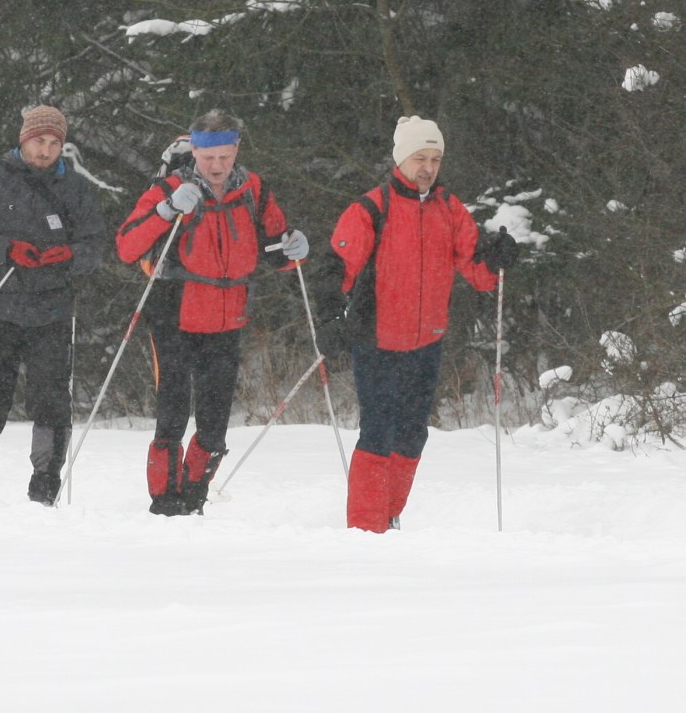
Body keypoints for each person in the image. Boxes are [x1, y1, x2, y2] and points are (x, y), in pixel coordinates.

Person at [314, 116, 516, 532]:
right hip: (377, 340)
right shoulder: (372, 208)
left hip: (427, 342)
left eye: (435, 159)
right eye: (420, 158)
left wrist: (498, 259)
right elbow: (336, 267)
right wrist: (330, 316)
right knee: (378, 434)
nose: (428, 168)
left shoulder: (449, 208)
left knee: (412, 436)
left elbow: (477, 272)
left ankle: (388, 516)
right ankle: (366, 529)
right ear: (401, 159)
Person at [116, 110, 308, 516]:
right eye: (209, 158)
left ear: (236, 150)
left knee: (215, 421)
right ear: (196, 153)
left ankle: (194, 497)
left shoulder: (253, 189)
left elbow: (274, 247)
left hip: (227, 318)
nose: (217, 166)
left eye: (225, 156)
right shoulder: (172, 187)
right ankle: (165, 503)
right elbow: (127, 246)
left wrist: (294, 247)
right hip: (174, 313)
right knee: (172, 414)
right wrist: (166, 210)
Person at [0, 105, 108, 505]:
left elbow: (95, 245)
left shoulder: (74, 187)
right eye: (39, 141)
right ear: (23, 140)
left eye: (54, 143)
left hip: (52, 308)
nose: (45, 150)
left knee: (52, 398)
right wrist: (5, 249)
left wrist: (69, 255)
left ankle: (46, 480)